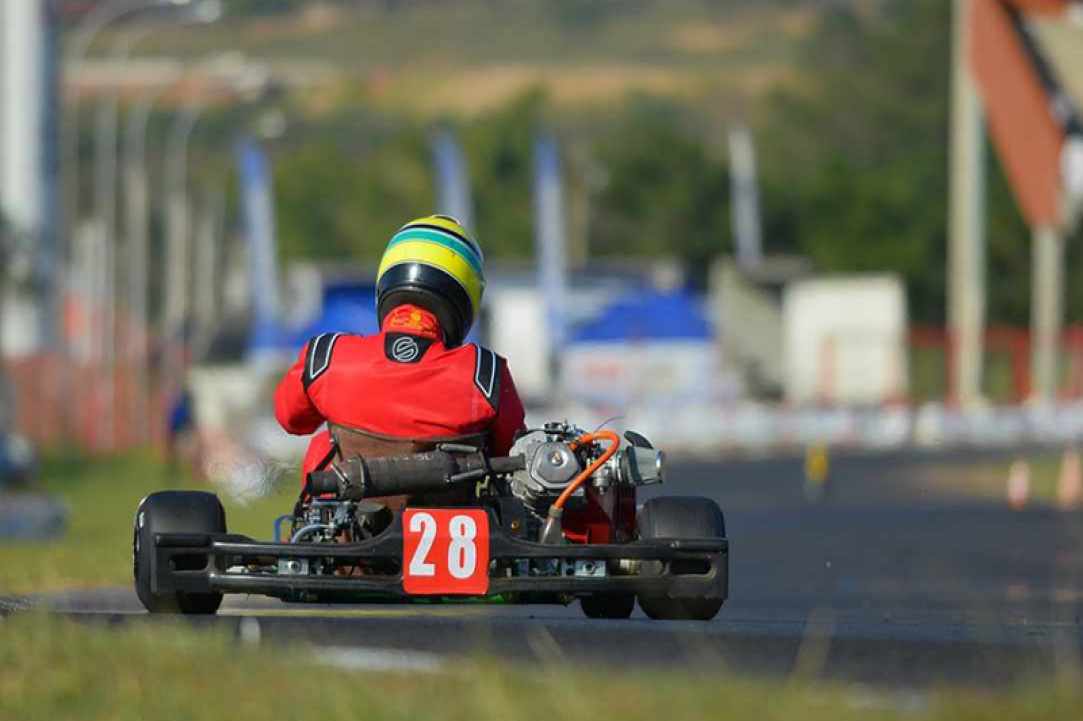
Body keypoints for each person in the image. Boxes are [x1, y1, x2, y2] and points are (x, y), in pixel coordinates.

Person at [274, 215, 526, 507]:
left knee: (322, 445)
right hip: (456, 537)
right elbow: (509, 452)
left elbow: (290, 419)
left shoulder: (326, 356)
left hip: (349, 539)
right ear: (465, 295)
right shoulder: (485, 373)